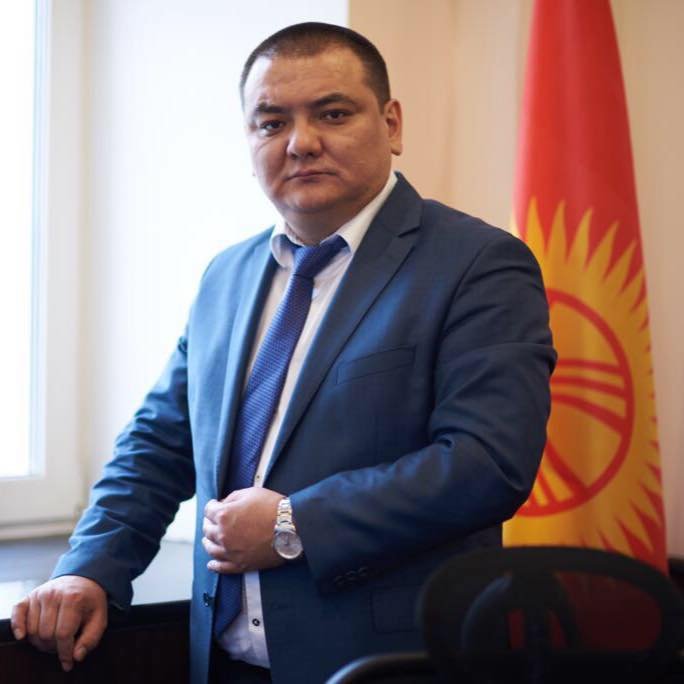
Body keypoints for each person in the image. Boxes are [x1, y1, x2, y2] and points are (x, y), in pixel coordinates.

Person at [11, 22, 555, 684]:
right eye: (271, 123)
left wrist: (295, 524)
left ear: (391, 124)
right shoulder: (226, 276)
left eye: (333, 113)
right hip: (220, 662)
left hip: (384, 664)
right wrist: (89, 568)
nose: (301, 142)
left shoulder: (477, 263)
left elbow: (487, 463)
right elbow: (158, 445)